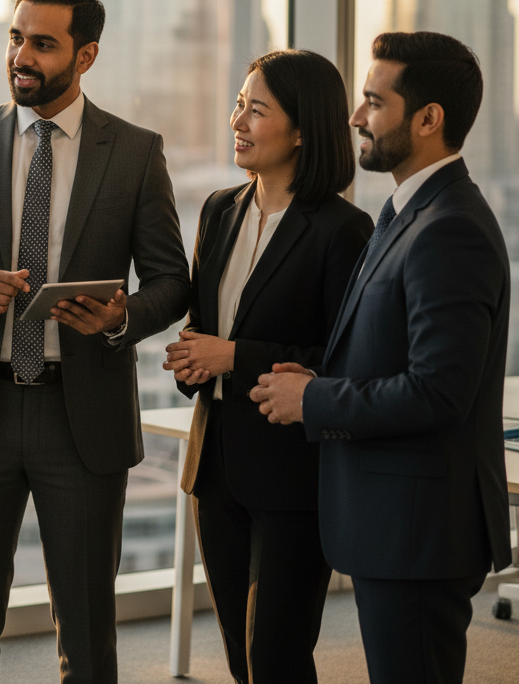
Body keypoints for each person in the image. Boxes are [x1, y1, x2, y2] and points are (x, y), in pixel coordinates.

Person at [0, 0, 189, 684]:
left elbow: (172, 281)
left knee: (88, 636)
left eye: (43, 44)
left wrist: (122, 316)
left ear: (84, 56)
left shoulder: (135, 151)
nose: (21, 55)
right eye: (15, 37)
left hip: (80, 413)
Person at [251, 31, 512, 684]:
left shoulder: (448, 227)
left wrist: (312, 400)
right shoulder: (409, 211)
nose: (355, 117)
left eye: (374, 101)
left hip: (419, 533)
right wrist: (320, 378)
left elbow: (437, 392)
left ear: (428, 119)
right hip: (397, 525)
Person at [163, 50, 373, 684]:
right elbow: (206, 327)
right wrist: (193, 358)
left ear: (303, 128)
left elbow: (343, 360)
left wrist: (233, 357)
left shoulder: (344, 230)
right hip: (217, 466)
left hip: (293, 472)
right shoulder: (218, 211)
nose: (239, 121)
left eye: (257, 110)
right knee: (238, 655)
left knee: (276, 657)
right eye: (238, 105)